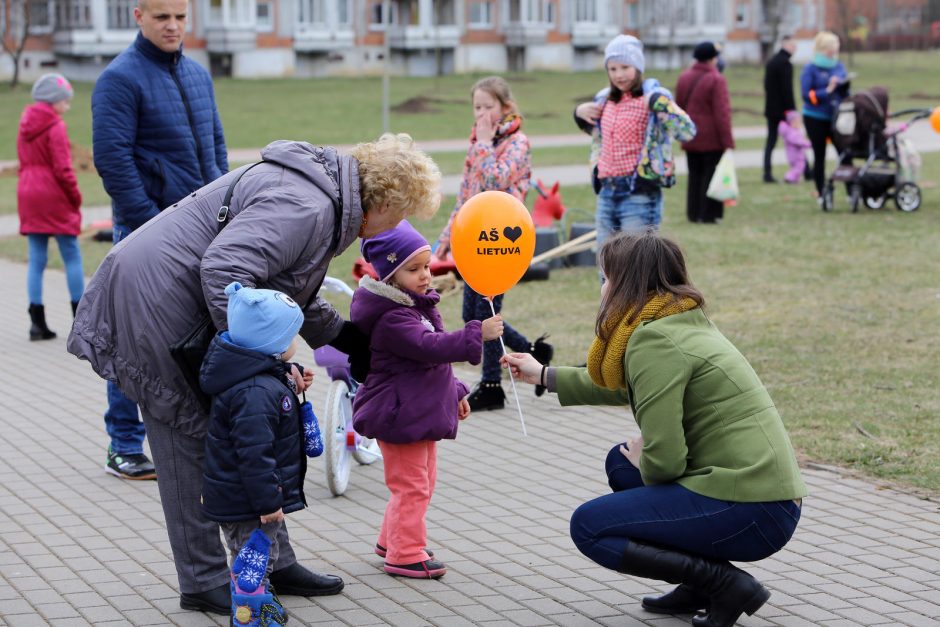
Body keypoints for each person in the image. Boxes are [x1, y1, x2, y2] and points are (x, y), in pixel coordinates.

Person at [67, 133, 442, 614]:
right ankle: (203, 579)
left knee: (241, 437)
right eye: (403, 213)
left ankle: (271, 562)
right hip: (152, 308)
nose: (400, 224)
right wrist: (252, 361)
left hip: (180, 304)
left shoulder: (324, 200)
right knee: (191, 438)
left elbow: (284, 284)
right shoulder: (308, 206)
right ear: (385, 200)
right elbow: (224, 270)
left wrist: (343, 336)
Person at [502, 230, 807, 627]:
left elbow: (666, 461)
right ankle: (697, 584)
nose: (603, 287)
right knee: (621, 464)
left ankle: (725, 584)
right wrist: (543, 375)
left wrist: (644, 455)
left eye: (606, 278)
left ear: (628, 285)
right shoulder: (678, 321)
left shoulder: (653, 340)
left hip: (753, 510)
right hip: (765, 499)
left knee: (590, 527)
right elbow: (631, 386)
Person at [91, 0, 229, 481]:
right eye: (161, 17)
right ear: (138, 16)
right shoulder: (119, 79)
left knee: (202, 334)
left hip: (203, 229)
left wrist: (227, 211)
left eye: (180, 17)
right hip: (146, 233)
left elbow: (215, 148)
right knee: (136, 342)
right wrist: (151, 227)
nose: (173, 26)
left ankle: (196, 436)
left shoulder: (197, 75)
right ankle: (124, 444)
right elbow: (114, 161)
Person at [352, 220, 503, 578]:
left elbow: (427, 367)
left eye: (427, 267)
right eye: (414, 269)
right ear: (390, 273)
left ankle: (393, 539)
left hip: (414, 411)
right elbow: (428, 347)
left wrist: (455, 392)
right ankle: (405, 553)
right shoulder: (392, 317)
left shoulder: (411, 306)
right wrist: (475, 332)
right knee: (412, 485)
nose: (425, 276)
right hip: (399, 414)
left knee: (420, 481)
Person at [433, 76, 552, 412]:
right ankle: (530, 349)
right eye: (477, 107)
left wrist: (484, 143)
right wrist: (445, 240)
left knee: (485, 312)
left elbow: (496, 180)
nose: (482, 113)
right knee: (473, 312)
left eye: (489, 106)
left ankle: (491, 385)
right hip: (474, 238)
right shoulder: (477, 143)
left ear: (505, 108)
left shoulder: (518, 143)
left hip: (502, 241)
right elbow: (467, 196)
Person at [200, 281, 311, 624]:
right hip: (248, 501)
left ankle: (258, 604)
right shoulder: (254, 392)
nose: (295, 343)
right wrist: (268, 502)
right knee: (253, 557)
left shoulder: (256, 374)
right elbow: (254, 452)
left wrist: (290, 383)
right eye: (292, 336)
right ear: (272, 344)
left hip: (246, 496)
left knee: (261, 553)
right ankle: (249, 616)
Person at [573, 34, 695, 242]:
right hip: (607, 192)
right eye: (613, 69)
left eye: (625, 67)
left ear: (638, 67)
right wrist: (578, 114)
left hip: (638, 194)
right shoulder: (604, 100)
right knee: (607, 264)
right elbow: (599, 137)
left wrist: (662, 104)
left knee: (635, 263)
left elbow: (686, 131)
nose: (619, 75)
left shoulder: (652, 98)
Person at [17, 73, 84, 341]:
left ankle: (37, 322)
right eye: (65, 101)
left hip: (28, 191)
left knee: (36, 259)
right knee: (71, 255)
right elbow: (62, 167)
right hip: (53, 193)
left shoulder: (25, 123)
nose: (67, 105)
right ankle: (80, 321)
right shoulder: (55, 126)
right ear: (53, 100)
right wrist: (75, 196)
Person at [675, 41, 735, 224]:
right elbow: (721, 113)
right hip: (712, 137)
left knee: (694, 176)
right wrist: (728, 142)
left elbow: (679, 108)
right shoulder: (716, 79)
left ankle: (693, 213)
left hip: (690, 135)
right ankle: (709, 215)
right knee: (711, 176)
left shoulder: (683, 77)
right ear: (712, 58)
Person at [801, 31, 850, 202]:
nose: (832, 54)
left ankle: (851, 191)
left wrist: (843, 87)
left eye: (835, 50)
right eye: (830, 51)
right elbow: (807, 95)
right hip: (815, 117)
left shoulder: (839, 66)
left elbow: (845, 92)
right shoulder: (810, 68)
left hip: (836, 116)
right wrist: (826, 91)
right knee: (819, 155)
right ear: (822, 49)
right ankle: (821, 193)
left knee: (845, 153)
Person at [763, 36, 798, 183]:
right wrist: (792, 111)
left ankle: (767, 172)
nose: (795, 48)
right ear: (786, 45)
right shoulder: (785, 64)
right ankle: (805, 171)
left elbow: (766, 85)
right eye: (793, 45)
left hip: (771, 109)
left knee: (771, 141)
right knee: (796, 139)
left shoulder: (772, 61)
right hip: (783, 111)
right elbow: (787, 90)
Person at [779, 110, 812, 184]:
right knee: (799, 167)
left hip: (794, 155)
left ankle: (795, 179)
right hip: (796, 155)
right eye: (798, 122)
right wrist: (810, 144)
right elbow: (799, 142)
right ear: (792, 122)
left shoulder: (792, 131)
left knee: (797, 168)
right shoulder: (792, 133)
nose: (799, 124)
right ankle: (789, 178)